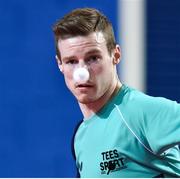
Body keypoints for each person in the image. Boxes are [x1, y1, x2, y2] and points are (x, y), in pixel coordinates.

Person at [52, 8, 180, 177]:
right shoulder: (80, 137)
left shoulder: (140, 112)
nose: (82, 71)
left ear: (115, 55)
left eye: (93, 58)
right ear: (60, 64)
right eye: (71, 61)